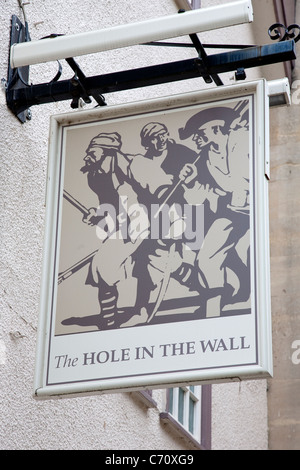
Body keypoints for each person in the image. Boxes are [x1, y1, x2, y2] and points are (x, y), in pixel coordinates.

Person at [177, 103, 251, 317]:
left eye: (200, 133)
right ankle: (213, 310)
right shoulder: (208, 159)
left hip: (257, 209)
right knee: (207, 258)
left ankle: (244, 288)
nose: (195, 139)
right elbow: (206, 196)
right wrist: (191, 183)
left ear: (217, 129)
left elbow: (242, 181)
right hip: (232, 212)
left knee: (242, 251)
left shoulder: (242, 139)